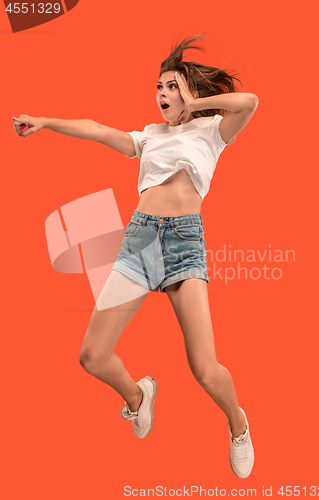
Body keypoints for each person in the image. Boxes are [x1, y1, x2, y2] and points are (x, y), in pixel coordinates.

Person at [12, 34, 259, 479]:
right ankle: (137, 396)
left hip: (183, 243)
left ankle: (238, 424)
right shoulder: (148, 137)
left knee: (204, 368)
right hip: (141, 240)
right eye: (159, 88)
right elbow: (97, 128)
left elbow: (250, 101)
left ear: (191, 93)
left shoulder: (213, 132)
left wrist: (197, 103)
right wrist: (46, 120)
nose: (162, 94)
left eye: (171, 87)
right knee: (92, 356)